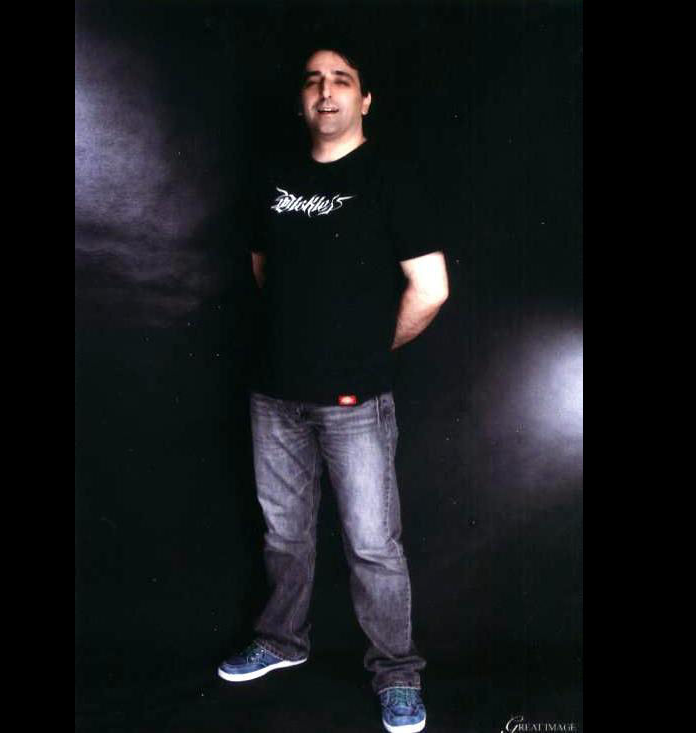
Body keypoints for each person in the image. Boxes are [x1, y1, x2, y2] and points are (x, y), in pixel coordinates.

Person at [218, 44, 449, 733]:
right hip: (273, 396)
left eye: (341, 80)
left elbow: (431, 288)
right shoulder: (275, 176)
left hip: (354, 402)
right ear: (301, 99)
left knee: (372, 545)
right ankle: (282, 640)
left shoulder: (390, 178)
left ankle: (397, 672)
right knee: (284, 535)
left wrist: (365, 350)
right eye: (313, 80)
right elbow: (263, 266)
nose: (326, 91)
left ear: (363, 99)